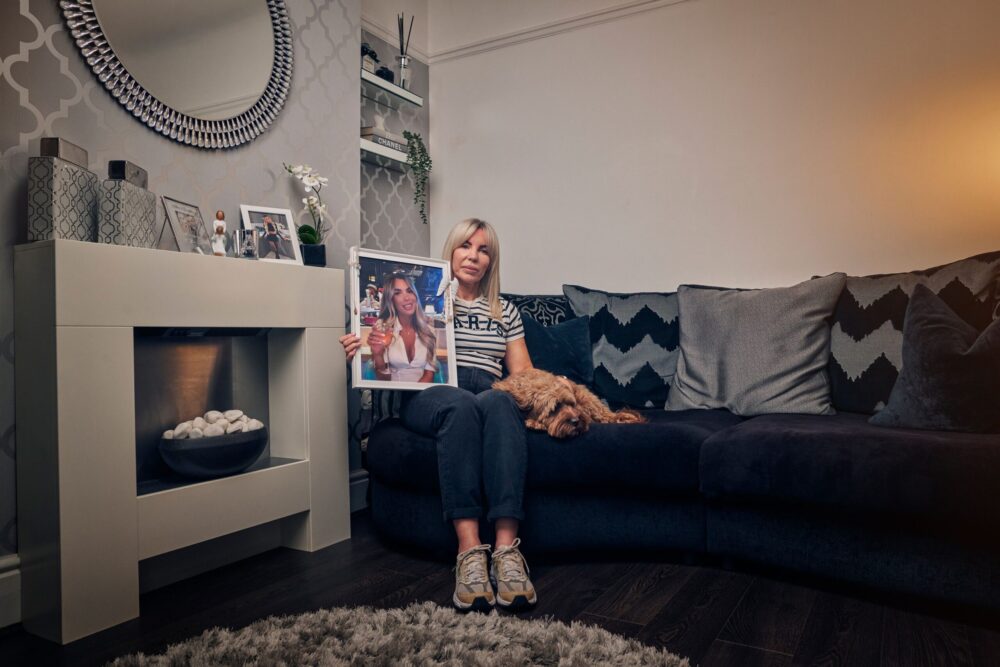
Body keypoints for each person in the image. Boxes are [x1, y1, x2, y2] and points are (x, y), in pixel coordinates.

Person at [340, 218, 536, 612]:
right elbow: (384, 344)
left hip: (490, 390)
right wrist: (358, 349)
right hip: (432, 394)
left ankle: (506, 552)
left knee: (501, 401)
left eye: (483, 250)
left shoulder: (506, 311)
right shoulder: (426, 305)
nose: (473, 256)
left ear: (490, 261)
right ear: (451, 251)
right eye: (466, 246)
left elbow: (524, 377)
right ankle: (469, 552)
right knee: (460, 403)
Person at [368, 272, 438, 383]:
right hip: (393, 395)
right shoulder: (383, 328)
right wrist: (378, 355)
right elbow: (383, 380)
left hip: (423, 395)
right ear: (391, 300)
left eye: (409, 291)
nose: (407, 298)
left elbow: (429, 375)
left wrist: (415, 398)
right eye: (398, 293)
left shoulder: (428, 328)